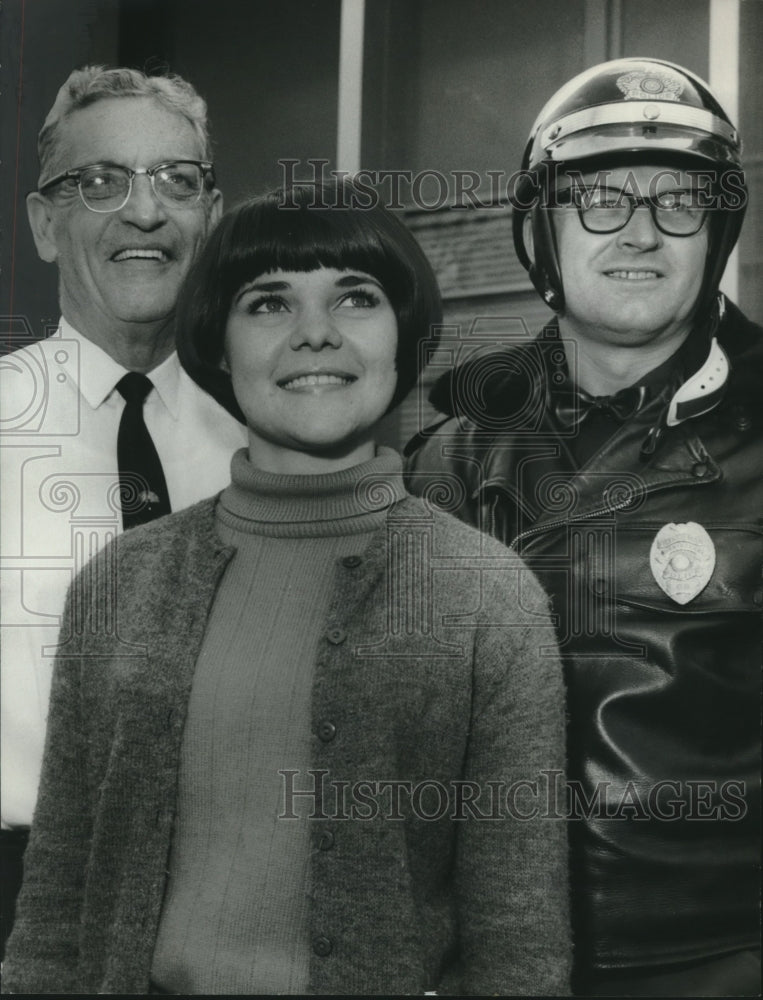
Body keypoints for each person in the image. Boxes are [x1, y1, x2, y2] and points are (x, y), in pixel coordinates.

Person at [2, 181, 571, 995]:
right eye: (269, 303)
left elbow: (517, 940)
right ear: (217, 347)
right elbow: (56, 899)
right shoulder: (116, 587)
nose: (315, 334)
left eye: (355, 298)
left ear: (402, 337)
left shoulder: (488, 598)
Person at [406, 58, 761, 997]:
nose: (640, 231)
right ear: (542, 229)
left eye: (678, 200)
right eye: (599, 198)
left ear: (717, 229)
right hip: (486, 966)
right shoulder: (447, 459)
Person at [0, 65, 246, 953]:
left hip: (232, 910)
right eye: (100, 182)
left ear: (209, 217)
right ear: (43, 224)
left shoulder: (273, 446)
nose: (144, 213)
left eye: (177, 182)